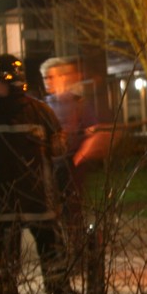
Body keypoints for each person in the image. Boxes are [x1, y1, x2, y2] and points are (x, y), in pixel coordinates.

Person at [0, 54, 72, 294]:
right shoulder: (40, 112)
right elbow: (59, 148)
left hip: (20, 200)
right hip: (31, 200)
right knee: (19, 255)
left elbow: (58, 147)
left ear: (10, 82)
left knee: (41, 251)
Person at [40, 57, 101, 246]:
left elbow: (93, 132)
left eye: (50, 77)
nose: (47, 81)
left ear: (62, 77)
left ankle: (77, 247)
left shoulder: (78, 104)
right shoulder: (43, 106)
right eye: (44, 77)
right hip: (49, 166)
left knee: (72, 211)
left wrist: (77, 159)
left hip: (71, 165)